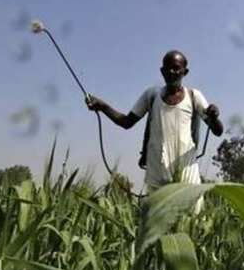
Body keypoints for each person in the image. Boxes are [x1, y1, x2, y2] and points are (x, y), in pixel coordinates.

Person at [84, 49, 223, 196]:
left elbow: (218, 131)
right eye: (167, 68)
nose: (171, 72)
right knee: (158, 216)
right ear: (162, 71)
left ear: (184, 72)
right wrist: (102, 106)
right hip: (157, 170)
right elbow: (126, 122)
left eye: (176, 68)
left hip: (187, 170)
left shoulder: (194, 96)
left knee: (191, 214)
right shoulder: (151, 95)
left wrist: (214, 117)